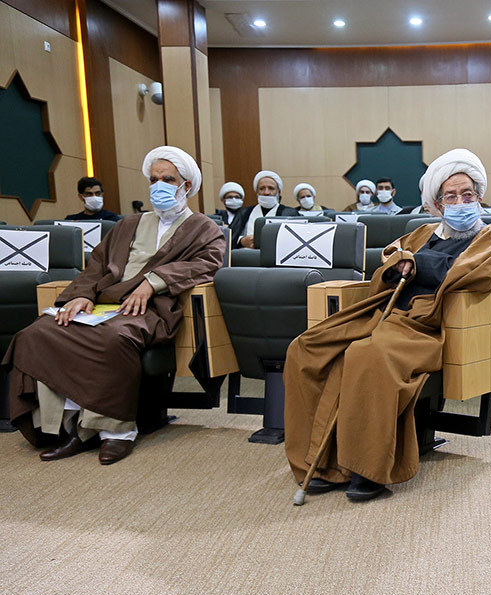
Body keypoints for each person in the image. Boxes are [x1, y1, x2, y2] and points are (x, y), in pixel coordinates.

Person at [283, 149, 491, 502]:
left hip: (428, 326)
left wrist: (417, 264)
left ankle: (364, 468)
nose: (461, 203)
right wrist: (400, 263)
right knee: (307, 348)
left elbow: (474, 272)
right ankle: (323, 461)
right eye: (451, 196)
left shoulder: (490, 237)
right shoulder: (422, 233)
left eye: (468, 195)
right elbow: (390, 257)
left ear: (479, 198)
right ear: (438, 204)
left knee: (366, 355)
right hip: (383, 314)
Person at [3, 146, 226, 465]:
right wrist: (81, 295)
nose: (158, 186)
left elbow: (206, 264)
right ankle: (70, 427)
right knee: (37, 333)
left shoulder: (204, 228)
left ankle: (115, 432)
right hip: (103, 304)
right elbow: (96, 265)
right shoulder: (127, 224)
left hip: (149, 310)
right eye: (154, 179)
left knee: (112, 338)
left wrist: (152, 282)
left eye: (167, 179)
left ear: (186, 186)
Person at [235, 170, 299, 248]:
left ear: (278, 192)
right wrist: (241, 241)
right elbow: (230, 238)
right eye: (262, 188)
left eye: (271, 188)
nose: (266, 192)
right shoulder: (244, 212)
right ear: (257, 191)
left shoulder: (289, 213)